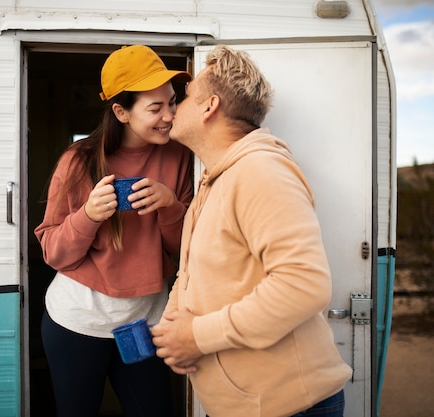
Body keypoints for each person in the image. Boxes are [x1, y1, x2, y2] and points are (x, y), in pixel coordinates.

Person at [150, 44, 352, 417]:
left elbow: (303, 285)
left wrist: (196, 336)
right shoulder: (215, 180)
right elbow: (190, 271)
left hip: (287, 406)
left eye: (188, 96)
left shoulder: (261, 172)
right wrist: (173, 329)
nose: (175, 107)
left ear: (210, 106)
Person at [34, 45, 193, 417]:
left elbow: (183, 249)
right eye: (155, 108)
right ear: (121, 112)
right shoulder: (79, 160)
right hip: (77, 321)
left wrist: (170, 205)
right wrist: (88, 215)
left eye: (172, 103)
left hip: (141, 322)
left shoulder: (181, 156)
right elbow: (54, 253)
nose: (169, 116)